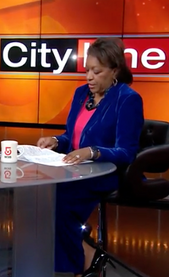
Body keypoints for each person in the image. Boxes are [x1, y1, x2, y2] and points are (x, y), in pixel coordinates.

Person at [37, 38, 144, 277]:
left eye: (97, 71)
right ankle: (87, 252)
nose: (89, 77)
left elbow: (126, 152)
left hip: (104, 173)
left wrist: (93, 151)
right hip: (73, 169)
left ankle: (73, 268)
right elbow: (71, 137)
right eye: (87, 70)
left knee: (60, 200)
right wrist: (56, 141)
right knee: (41, 193)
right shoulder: (80, 94)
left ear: (114, 70)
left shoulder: (127, 99)